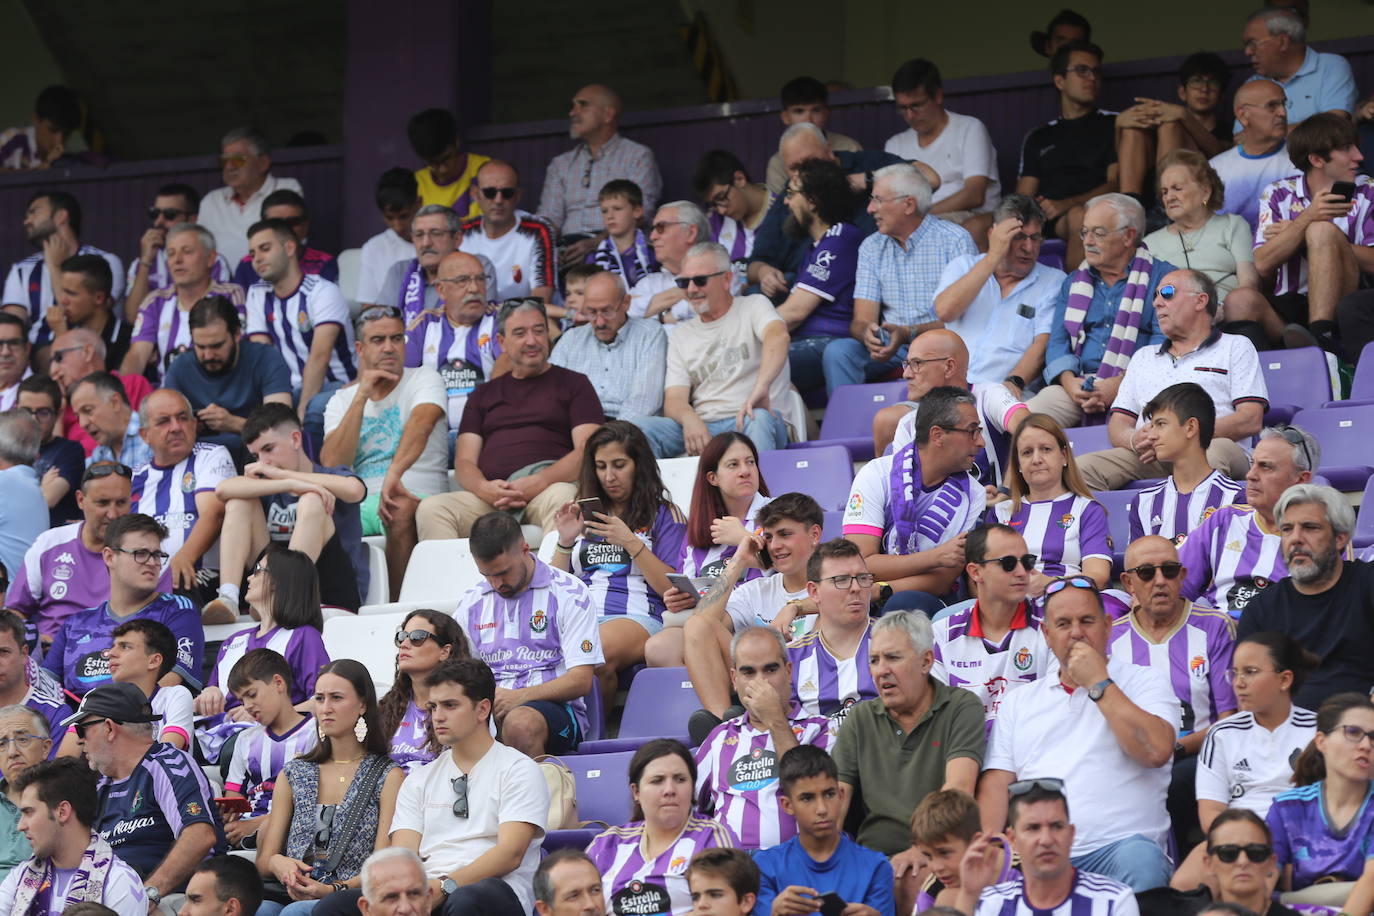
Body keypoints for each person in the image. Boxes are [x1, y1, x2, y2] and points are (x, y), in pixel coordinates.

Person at [979, 576, 1180, 891]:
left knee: (1142, 860)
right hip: (1040, 854)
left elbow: (1155, 751)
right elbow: (997, 785)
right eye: (1063, 623)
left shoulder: (1146, 682)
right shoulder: (1019, 701)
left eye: (1087, 621)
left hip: (1122, 851)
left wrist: (1098, 682)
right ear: (1046, 634)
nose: (1076, 632)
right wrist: (993, 843)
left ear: (1108, 626)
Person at [367, 658, 548, 916]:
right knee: (337, 906)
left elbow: (510, 854)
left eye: (450, 705)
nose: (438, 716)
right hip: (426, 890)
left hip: (496, 890)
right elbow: (403, 854)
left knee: (465, 900)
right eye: (433, 707)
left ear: (482, 709)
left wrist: (445, 886)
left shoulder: (519, 769)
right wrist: (412, 895)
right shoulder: (420, 779)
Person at [415, 298, 603, 538]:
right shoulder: (483, 394)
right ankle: (457, 578)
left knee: (565, 498)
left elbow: (588, 449)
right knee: (432, 509)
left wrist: (540, 480)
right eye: (520, 333)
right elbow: (464, 463)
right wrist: (485, 489)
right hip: (493, 497)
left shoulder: (574, 383)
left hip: (548, 489)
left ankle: (555, 576)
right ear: (502, 342)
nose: (532, 340)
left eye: (538, 331)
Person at [1077, 268, 1265, 493]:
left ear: (1200, 300)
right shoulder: (1143, 356)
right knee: (1082, 469)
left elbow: (1250, 419)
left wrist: (1183, 438)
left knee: (1209, 458)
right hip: (1154, 454)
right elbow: (1119, 424)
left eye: (1167, 293)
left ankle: (1200, 529)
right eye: (1155, 296)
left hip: (1213, 445)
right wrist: (1134, 439)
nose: (1157, 302)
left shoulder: (1236, 346)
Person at [1166, 632, 1316, 893]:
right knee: (1183, 884)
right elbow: (1211, 812)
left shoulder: (1318, 731)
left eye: (1250, 672)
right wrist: (1242, 844)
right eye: (1234, 673)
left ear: (1285, 679)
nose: (1238, 683)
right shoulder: (1222, 733)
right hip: (1236, 837)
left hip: (1303, 836)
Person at [1112, 536, 1238, 845]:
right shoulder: (1110, 640)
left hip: (1196, 756)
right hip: (1131, 759)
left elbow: (1230, 720)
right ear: (1128, 582)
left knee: (1174, 779)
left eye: (1169, 571)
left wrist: (1175, 748)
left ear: (1182, 576)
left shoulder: (1215, 628)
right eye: (1146, 573)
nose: (1159, 581)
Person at [832, 610, 985, 861]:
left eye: (892, 658)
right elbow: (837, 799)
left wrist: (922, 849)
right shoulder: (860, 718)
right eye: (874, 660)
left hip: (938, 851)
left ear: (926, 661)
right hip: (870, 857)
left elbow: (958, 790)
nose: (881, 671)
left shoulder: (961, 706)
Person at [255, 659, 403, 911]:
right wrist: (279, 863)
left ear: (362, 705)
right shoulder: (295, 771)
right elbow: (265, 859)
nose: (325, 708)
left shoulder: (388, 775)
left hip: (352, 898)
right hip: (290, 892)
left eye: (336, 698)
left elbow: (382, 866)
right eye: (320, 698)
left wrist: (332, 889)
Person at [548, 421, 681, 699]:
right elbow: (554, 587)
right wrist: (565, 541)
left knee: (595, 651)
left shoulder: (664, 514)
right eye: (601, 466)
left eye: (619, 465)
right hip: (580, 616)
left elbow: (672, 589)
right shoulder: (583, 514)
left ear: (638, 465)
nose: (609, 476)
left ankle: (589, 737)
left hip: (636, 615)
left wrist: (630, 541)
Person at [321, 306, 448, 597]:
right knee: (317, 510)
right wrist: (362, 395)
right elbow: (333, 462)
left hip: (416, 495)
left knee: (398, 507)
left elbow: (422, 423)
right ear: (360, 348)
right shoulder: (342, 400)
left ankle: (397, 606)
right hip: (360, 503)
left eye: (397, 338)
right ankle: (336, 605)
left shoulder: (423, 378)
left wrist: (394, 474)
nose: (389, 347)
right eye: (378, 340)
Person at [205, 403, 367, 621]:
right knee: (239, 502)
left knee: (312, 500)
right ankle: (228, 597)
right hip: (268, 586)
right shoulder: (270, 482)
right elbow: (223, 489)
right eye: (256, 455)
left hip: (331, 589)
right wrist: (289, 483)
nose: (263, 462)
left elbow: (355, 490)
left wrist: (290, 480)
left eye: (269, 449)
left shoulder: (329, 474)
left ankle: (281, 597)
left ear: (296, 439)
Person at [1024, 193, 1173, 429]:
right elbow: (1058, 341)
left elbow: (1165, 342)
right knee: (1028, 420)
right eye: (1084, 232)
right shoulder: (1073, 282)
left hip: (1141, 386)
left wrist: (1119, 383)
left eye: (1099, 233)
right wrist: (1069, 382)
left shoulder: (1164, 278)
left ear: (1128, 236)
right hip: (1077, 386)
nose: (1088, 241)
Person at [458, 511, 601, 756]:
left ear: (525, 549)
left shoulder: (570, 593)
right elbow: (459, 672)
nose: (496, 583)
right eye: (487, 575)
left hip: (556, 710)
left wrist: (519, 697)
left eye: (503, 572)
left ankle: (530, 794)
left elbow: (581, 680)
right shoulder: (471, 603)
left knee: (520, 724)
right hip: (489, 709)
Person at [826, 163, 977, 389]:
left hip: (942, 345)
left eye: (878, 200)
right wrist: (868, 334)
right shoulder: (871, 246)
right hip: (893, 345)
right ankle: (847, 423)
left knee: (939, 353)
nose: (870, 209)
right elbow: (861, 320)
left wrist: (909, 333)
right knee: (839, 352)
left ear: (908, 205)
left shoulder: (954, 240)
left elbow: (966, 321)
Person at [645, 242, 803, 457]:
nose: (691, 289)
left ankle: (761, 491)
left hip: (754, 418)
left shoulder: (754, 305)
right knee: (639, 431)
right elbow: (674, 399)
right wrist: (690, 419)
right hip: (706, 426)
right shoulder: (681, 334)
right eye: (684, 282)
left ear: (727, 279)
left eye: (700, 280)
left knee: (759, 418)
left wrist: (762, 387)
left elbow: (778, 336)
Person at [73, 681, 226, 900]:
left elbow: (200, 835)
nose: (79, 740)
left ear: (108, 728)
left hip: (175, 897)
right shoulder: (100, 786)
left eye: (82, 729)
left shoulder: (167, 763)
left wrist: (146, 896)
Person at [678, 493, 822, 725]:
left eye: (785, 534)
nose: (775, 546)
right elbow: (701, 624)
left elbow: (847, 600)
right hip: (760, 683)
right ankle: (722, 726)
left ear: (814, 534)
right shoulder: (756, 590)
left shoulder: (837, 582)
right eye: (768, 537)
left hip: (812, 689)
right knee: (697, 625)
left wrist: (794, 608)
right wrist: (740, 559)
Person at [692, 627, 835, 849]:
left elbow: (810, 794)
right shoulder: (720, 736)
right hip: (730, 869)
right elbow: (684, 804)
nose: (761, 682)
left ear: (788, 672)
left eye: (770, 670)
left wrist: (776, 720)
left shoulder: (822, 730)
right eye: (748, 673)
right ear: (734, 679)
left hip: (797, 865)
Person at [843, 386, 986, 609]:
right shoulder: (877, 474)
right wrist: (935, 557)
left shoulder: (974, 494)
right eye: (972, 431)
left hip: (930, 601)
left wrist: (881, 590)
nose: (980, 443)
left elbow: (942, 581)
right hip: (863, 596)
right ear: (938, 435)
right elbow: (858, 565)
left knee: (902, 603)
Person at [1238, 485, 1374, 708]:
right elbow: (1251, 695)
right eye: (1287, 529)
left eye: (1310, 528)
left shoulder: (1368, 584)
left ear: (1340, 538)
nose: (1296, 539)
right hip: (1286, 733)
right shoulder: (1261, 610)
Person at [191, 546, 329, 762]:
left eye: (257, 570)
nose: (248, 578)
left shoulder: (303, 637)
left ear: (278, 580)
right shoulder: (233, 641)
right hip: (217, 733)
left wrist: (264, 713)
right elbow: (215, 692)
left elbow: (321, 700)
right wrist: (209, 692)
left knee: (236, 749)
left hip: (268, 737)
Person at [748, 125, 913, 305]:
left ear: (829, 151)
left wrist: (869, 179)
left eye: (809, 163)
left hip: (861, 288)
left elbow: (929, 179)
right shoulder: (790, 195)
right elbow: (757, 260)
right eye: (793, 168)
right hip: (798, 288)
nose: (801, 174)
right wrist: (764, 272)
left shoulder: (867, 163)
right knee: (755, 294)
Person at [42, 513, 202, 696]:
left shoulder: (177, 610)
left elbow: (171, 683)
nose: (152, 563)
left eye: (157, 555)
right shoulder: (76, 623)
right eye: (140, 554)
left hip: (142, 721)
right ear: (110, 557)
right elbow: (45, 690)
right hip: (73, 722)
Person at [1256, 113, 1372, 356]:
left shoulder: (1369, 190)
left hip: (1348, 300)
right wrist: (1307, 218)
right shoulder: (1277, 193)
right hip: (1291, 302)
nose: (1359, 157)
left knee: (1320, 230)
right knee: (1240, 301)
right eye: (1346, 149)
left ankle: (1321, 336)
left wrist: (1315, 238)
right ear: (1317, 159)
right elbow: (1263, 263)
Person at [585, 739, 737, 916]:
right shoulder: (606, 843)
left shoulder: (711, 836)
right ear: (636, 792)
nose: (669, 789)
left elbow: (722, 910)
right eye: (657, 781)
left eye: (680, 779)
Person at [1178, 425, 1316, 618]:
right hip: (1217, 640)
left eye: (1265, 466)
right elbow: (1174, 587)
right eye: (1252, 464)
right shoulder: (1223, 520)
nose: (1250, 475)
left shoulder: (1323, 537)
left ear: (1301, 479)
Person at [1144, 151, 1272, 350]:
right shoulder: (1150, 243)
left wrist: (1218, 310)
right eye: (1165, 191)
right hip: (1174, 324)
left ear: (1205, 191)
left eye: (1177, 188)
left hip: (1229, 318)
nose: (1169, 197)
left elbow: (1249, 282)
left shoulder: (1232, 225)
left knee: (1243, 301)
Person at [932, 195, 1063, 388]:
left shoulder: (1053, 280)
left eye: (1035, 238)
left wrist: (1014, 383)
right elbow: (945, 311)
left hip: (1005, 392)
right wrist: (994, 256)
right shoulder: (963, 265)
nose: (1029, 247)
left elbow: (1042, 345)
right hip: (948, 391)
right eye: (1017, 237)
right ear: (993, 235)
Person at [244, 218, 356, 442]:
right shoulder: (257, 294)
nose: (257, 258)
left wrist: (301, 411)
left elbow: (319, 357)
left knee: (314, 412)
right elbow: (262, 355)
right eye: (253, 253)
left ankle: (315, 474)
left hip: (338, 385)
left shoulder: (322, 291)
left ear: (289, 248)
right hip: (286, 388)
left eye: (265, 249)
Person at [954, 780, 1139, 915]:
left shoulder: (1113, 902)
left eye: (1057, 826)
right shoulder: (991, 904)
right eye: (1033, 828)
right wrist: (968, 895)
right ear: (1013, 839)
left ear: (1071, 834)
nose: (1046, 839)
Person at [753, 745, 895, 916]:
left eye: (829, 794)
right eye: (807, 798)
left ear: (841, 795)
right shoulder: (765, 866)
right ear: (787, 805)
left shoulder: (876, 867)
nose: (821, 809)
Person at [932, 524, 1050, 729]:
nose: (1023, 572)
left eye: (1027, 562)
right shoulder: (942, 634)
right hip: (966, 753)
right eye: (1008, 563)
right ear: (975, 572)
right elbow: (937, 720)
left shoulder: (1051, 625)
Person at [1266, 693, 1374, 911]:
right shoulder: (1286, 807)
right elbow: (1263, 877)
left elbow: (1371, 882)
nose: (1366, 745)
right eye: (1353, 732)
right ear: (1321, 742)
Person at [1016, 41, 1119, 268]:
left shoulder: (1114, 124)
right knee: (990, 223)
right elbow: (1022, 197)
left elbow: (1116, 183)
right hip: (1048, 218)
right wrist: (1034, 209)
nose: (1092, 78)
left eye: (1096, 72)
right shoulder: (1039, 136)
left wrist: (1066, 204)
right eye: (1082, 70)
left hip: (1096, 212)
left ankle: (1076, 301)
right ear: (1059, 80)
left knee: (1078, 216)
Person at [0, 757, 148, 915]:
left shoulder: (119, 882)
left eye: (29, 812)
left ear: (62, 812)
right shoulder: (20, 876)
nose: (21, 826)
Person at [879, 330, 1029, 485]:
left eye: (916, 363)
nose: (906, 374)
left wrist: (1007, 490)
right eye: (906, 364)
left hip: (996, 507)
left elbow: (1030, 430)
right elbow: (901, 489)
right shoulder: (907, 425)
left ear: (949, 367)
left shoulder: (989, 395)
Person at [536, 84, 662, 264]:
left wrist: (597, 242)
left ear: (608, 114)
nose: (573, 113)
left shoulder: (637, 156)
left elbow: (642, 211)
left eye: (583, 105)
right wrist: (544, 250)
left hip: (618, 249)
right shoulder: (560, 164)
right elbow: (549, 217)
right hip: (567, 252)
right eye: (573, 106)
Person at [131, 389, 237, 602]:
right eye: (163, 421)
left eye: (182, 418)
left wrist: (184, 558)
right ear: (145, 435)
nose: (176, 427)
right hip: (149, 582)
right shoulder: (134, 477)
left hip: (199, 573)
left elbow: (214, 514)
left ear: (194, 424)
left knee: (177, 588)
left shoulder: (210, 455)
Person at [774, 158, 866, 397]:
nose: (786, 201)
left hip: (829, 342)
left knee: (748, 366)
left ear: (812, 201)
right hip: (810, 343)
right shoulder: (818, 245)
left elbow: (794, 313)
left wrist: (740, 330)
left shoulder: (840, 238)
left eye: (791, 193)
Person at [883, 58, 1001, 246]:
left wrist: (922, 217)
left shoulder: (969, 128)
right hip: (913, 224)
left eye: (917, 105)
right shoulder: (895, 144)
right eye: (903, 108)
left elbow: (975, 194)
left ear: (938, 96)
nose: (910, 115)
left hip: (969, 217)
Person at [995, 414, 1112, 595]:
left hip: (1067, 600)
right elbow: (981, 576)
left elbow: (1098, 576)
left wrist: (1050, 583)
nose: (1036, 459)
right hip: (1009, 604)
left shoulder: (1086, 509)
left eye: (1046, 449)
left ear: (1064, 456)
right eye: (1027, 452)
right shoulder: (1000, 512)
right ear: (1018, 464)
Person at [163, 295, 292, 456]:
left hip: (258, 457)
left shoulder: (265, 358)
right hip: (196, 461)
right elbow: (163, 429)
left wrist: (233, 423)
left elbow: (283, 429)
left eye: (216, 345)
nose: (208, 355)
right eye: (200, 347)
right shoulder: (180, 368)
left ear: (237, 334)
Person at [122, 223, 246, 385]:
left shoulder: (231, 294)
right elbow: (137, 356)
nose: (177, 260)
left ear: (210, 259)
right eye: (171, 254)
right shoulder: (155, 301)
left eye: (187, 252)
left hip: (222, 392)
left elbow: (243, 350)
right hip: (169, 400)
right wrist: (122, 392)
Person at [2, 190, 124, 351]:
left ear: (61, 217)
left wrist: (54, 267)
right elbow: (11, 325)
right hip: (32, 359)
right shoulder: (21, 270)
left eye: (34, 212)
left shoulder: (106, 262)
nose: (27, 221)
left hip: (92, 349)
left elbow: (95, 313)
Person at [220, 649, 318, 850]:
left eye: (252, 694)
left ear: (278, 683)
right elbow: (233, 798)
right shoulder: (245, 740)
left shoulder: (316, 733)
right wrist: (232, 822)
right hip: (245, 832)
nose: (247, 706)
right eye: (241, 700)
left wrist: (257, 825)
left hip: (296, 832)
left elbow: (317, 800)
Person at [1127, 383, 1247, 543]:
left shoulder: (1235, 499)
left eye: (1161, 424)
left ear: (1191, 427)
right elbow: (1137, 566)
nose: (1152, 436)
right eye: (1152, 426)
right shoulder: (1143, 501)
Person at [403, 250, 507, 433]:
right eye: (463, 281)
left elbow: (509, 369)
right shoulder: (424, 325)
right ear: (441, 290)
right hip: (432, 435)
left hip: (487, 430)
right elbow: (401, 378)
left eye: (480, 279)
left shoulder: (499, 321)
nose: (474, 288)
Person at [548, 270, 667, 422]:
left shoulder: (649, 334)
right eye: (591, 312)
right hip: (574, 426)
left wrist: (606, 437)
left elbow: (644, 403)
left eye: (607, 311)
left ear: (626, 303)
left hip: (626, 429)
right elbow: (551, 394)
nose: (600, 322)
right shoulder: (571, 339)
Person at [1115, 52, 1234, 203]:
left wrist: (1183, 115)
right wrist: (1119, 125)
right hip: (1145, 194)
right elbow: (1123, 160)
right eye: (1197, 81)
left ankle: (1164, 202)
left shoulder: (1227, 129)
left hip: (1195, 197)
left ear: (1222, 95)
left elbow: (1220, 155)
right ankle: (1128, 205)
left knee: (1170, 126)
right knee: (1133, 127)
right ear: (1182, 92)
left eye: (1213, 82)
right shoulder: (1162, 126)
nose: (1204, 88)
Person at [378, 609, 469, 773]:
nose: (405, 644)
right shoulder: (388, 707)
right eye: (402, 637)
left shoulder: (465, 707)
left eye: (417, 637)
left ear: (444, 651)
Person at [125, 184, 234, 320]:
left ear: (192, 219)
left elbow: (217, 314)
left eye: (170, 215)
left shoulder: (213, 261)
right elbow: (133, 317)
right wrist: (145, 261)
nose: (159, 221)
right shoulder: (140, 264)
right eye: (155, 213)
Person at [198, 127, 304, 267]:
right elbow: (199, 250)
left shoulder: (286, 188)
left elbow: (293, 241)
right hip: (222, 285)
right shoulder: (211, 200)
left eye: (237, 159)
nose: (229, 167)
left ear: (263, 163)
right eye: (224, 161)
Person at [1237, 7, 1357, 129]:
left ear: (1283, 42)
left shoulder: (1330, 66)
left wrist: (1268, 135)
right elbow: (1241, 139)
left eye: (1253, 44)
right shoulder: (1253, 84)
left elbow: (1334, 126)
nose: (1248, 52)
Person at [677, 431, 771, 582]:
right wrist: (679, 598)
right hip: (705, 605)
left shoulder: (779, 511)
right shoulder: (700, 525)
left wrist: (744, 539)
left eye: (750, 462)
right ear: (713, 478)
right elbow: (686, 583)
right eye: (733, 465)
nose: (745, 471)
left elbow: (800, 564)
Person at [459, 160, 555, 303]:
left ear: (517, 195)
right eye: (490, 192)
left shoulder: (538, 230)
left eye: (507, 193)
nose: (498, 200)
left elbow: (542, 296)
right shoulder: (463, 233)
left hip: (524, 318)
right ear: (475, 194)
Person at [1212, 81, 1298, 233]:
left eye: (1283, 104)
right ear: (1243, 115)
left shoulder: (1304, 160)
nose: (1282, 113)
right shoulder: (1214, 169)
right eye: (1272, 106)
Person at [909, 790, 1015, 911]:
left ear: (976, 842)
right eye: (928, 856)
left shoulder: (1024, 871)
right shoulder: (935, 887)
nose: (936, 867)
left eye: (944, 853)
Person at [52, 331, 153, 455]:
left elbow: (156, 432)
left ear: (87, 352)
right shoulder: (63, 409)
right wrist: (58, 415)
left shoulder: (132, 385)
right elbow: (60, 464)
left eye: (58, 358)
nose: (53, 370)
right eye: (78, 416)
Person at [763, 77, 863, 197]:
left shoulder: (849, 147)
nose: (808, 119)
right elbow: (782, 210)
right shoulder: (778, 163)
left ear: (826, 113)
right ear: (785, 117)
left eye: (816, 110)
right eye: (799, 111)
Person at [105, 618, 194, 749]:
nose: (111, 653)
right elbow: (67, 760)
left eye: (124, 647)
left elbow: (167, 757)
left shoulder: (175, 696)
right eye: (113, 646)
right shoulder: (95, 699)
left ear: (154, 661)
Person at [229, 189, 338, 292]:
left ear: (305, 227)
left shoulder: (324, 262)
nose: (286, 228)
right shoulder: (248, 264)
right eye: (275, 223)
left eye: (293, 221)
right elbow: (239, 309)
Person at [369, 205, 461, 322]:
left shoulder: (475, 269)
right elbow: (382, 324)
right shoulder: (399, 271)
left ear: (457, 239)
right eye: (419, 234)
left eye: (435, 233)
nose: (426, 243)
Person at [17, 374, 85, 527]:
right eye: (26, 411)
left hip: (54, 544)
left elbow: (48, 500)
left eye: (43, 412)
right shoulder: (6, 452)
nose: (33, 420)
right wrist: (40, 489)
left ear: (58, 414)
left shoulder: (69, 451)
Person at [630, 201, 712, 324]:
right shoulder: (648, 283)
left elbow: (711, 306)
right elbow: (623, 312)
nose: (652, 236)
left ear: (690, 233)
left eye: (660, 228)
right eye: (653, 229)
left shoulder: (720, 273)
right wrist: (679, 292)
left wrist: (659, 316)